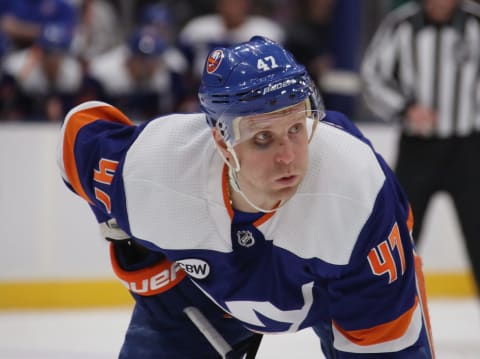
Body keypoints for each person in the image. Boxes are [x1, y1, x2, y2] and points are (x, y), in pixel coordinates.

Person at [58, 36, 435, 357]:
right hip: (200, 295)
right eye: (262, 138)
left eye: (295, 128)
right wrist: (120, 228)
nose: (287, 156)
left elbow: (384, 342)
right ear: (221, 141)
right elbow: (77, 135)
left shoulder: (356, 195)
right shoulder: (158, 166)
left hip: (340, 289)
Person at [361, 0, 480, 295]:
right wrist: (405, 108)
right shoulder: (401, 23)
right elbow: (372, 74)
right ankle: (387, 315)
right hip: (418, 148)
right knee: (401, 234)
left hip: (469, 148)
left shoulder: (475, 22)